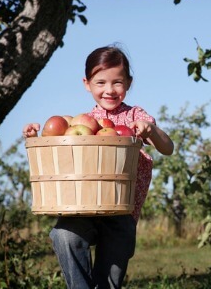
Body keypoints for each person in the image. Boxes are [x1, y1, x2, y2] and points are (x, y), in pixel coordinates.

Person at [22, 45, 174, 288]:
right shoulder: (84, 122)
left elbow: (168, 148)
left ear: (129, 83)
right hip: (85, 208)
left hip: (122, 211)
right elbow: (66, 158)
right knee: (64, 235)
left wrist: (151, 130)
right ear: (87, 83)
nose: (109, 90)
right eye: (100, 82)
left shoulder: (135, 118)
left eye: (117, 82)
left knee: (108, 281)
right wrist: (37, 137)